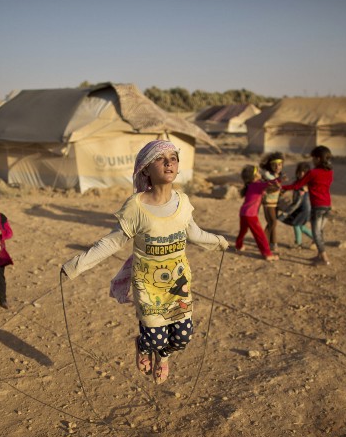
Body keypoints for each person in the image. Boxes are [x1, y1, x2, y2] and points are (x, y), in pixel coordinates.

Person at [61, 140, 228, 384]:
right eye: (161, 158)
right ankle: (143, 345)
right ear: (146, 169)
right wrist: (76, 265)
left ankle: (163, 357)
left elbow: (195, 234)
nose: (169, 162)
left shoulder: (183, 202)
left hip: (178, 285)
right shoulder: (135, 207)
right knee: (155, 338)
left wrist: (220, 241)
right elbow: (111, 243)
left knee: (182, 337)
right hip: (148, 287)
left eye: (173, 157)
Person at [235, 165, 295, 261]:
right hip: (251, 215)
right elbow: (268, 183)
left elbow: (267, 187)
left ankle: (239, 245)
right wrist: (279, 179)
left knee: (243, 231)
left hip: (243, 213)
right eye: (258, 173)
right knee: (260, 235)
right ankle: (267, 254)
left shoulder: (252, 185)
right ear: (253, 176)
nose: (260, 174)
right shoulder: (256, 185)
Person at [289, 146, 334, 266]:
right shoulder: (329, 172)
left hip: (317, 206)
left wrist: (280, 187)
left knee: (316, 233)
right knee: (320, 231)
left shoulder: (313, 173)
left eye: (313, 158)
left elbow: (297, 185)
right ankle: (319, 256)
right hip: (327, 205)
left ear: (318, 159)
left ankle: (324, 258)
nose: (312, 160)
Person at [277, 163, 314, 248]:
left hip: (304, 209)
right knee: (301, 226)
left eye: (304, 172)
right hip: (301, 208)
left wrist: (287, 212)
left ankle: (298, 243)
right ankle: (316, 239)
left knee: (296, 224)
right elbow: (292, 187)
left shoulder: (305, 185)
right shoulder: (299, 182)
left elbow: (296, 199)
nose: (301, 174)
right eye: (300, 172)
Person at [259, 152, 285, 252]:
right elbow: (267, 188)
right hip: (268, 202)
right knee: (272, 222)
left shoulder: (279, 175)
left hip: (276, 202)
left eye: (279, 164)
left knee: (272, 223)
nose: (277, 167)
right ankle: (262, 242)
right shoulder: (267, 175)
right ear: (270, 165)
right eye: (274, 165)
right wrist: (277, 187)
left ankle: (273, 243)